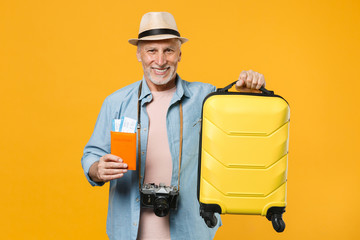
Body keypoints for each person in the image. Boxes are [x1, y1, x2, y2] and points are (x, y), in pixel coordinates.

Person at [81, 12, 266, 240]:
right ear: (139, 54)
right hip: (129, 232)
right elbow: (91, 154)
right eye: (151, 51)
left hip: (191, 231)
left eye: (168, 50)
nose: (160, 61)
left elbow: (241, 137)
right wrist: (97, 169)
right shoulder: (116, 102)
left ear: (179, 54)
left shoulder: (207, 97)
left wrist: (249, 95)